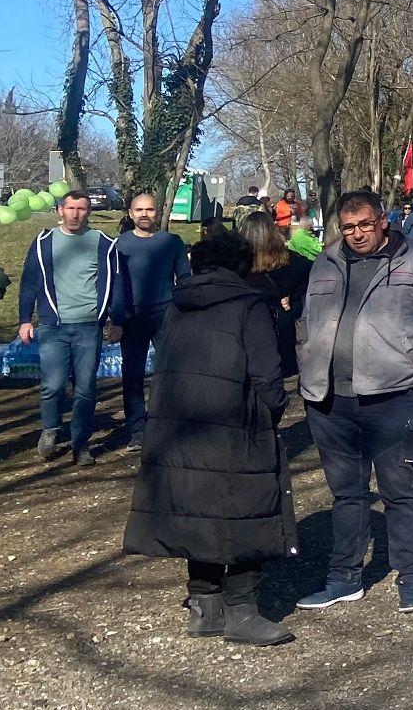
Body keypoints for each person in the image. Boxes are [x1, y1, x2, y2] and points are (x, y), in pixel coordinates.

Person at [295, 190, 413, 616]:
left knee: (399, 491)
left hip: (392, 396)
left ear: (383, 221)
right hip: (328, 397)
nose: (356, 234)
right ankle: (344, 578)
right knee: (346, 494)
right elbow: (308, 317)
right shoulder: (325, 261)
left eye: (365, 225)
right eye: (348, 227)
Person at [123, 232, 295, 647]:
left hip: (180, 425)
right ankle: (243, 612)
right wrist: (272, 411)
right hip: (236, 422)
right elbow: (267, 374)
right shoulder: (248, 304)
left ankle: (204, 605)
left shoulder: (177, 305)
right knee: (246, 512)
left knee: (195, 511)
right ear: (242, 264)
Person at [17, 190, 127, 465]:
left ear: (89, 212)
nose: (76, 213)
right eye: (71, 208)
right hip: (53, 326)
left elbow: (117, 285)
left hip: (89, 326)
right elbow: (29, 282)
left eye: (82, 209)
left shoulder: (103, 243)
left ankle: (81, 444)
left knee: (86, 389)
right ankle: (51, 428)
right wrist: (24, 319)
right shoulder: (43, 242)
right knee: (53, 385)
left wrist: (117, 320)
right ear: (60, 210)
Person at [116, 191, 191, 450]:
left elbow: (185, 278)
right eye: (139, 210)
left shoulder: (171, 242)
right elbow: (114, 284)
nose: (145, 214)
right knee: (133, 374)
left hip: (166, 314)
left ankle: (169, 422)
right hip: (132, 316)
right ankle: (137, 428)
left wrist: (184, 310)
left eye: (149, 210)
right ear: (130, 214)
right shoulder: (120, 244)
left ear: (157, 213)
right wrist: (115, 318)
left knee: (170, 371)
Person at [238, 211, 310, 378]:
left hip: (247, 342)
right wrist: (294, 305)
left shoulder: (236, 269)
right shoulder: (295, 264)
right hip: (281, 342)